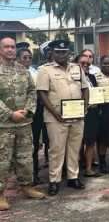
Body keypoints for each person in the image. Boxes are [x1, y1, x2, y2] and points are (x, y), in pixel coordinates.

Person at [36, 39, 89, 196]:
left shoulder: (77, 68)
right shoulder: (45, 70)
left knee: (74, 148)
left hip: (77, 116)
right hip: (56, 118)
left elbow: (84, 88)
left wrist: (85, 106)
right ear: (52, 53)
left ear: (68, 53)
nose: (61, 54)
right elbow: (42, 93)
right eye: (58, 52)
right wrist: (54, 112)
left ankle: (73, 177)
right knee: (56, 150)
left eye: (64, 52)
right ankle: (54, 180)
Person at [0, 38, 44, 211]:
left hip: (24, 123)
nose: (10, 50)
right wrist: (9, 114)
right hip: (3, 125)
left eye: (12, 47)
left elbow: (32, 91)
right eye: (6, 47)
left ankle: (26, 187)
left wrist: (27, 110)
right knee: (2, 161)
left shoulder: (23, 70)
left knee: (25, 157)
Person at [15, 43, 42, 184]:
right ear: (17, 58)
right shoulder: (11, 72)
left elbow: (35, 92)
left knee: (34, 144)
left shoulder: (35, 72)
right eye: (24, 57)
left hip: (34, 112)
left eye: (29, 58)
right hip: (16, 114)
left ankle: (33, 175)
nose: (27, 60)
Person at [78, 55, 101, 177]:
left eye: (88, 64)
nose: (86, 66)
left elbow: (97, 93)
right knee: (78, 142)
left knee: (90, 141)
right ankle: (75, 168)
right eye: (82, 63)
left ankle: (88, 168)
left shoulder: (92, 77)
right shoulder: (73, 78)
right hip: (77, 113)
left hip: (92, 113)